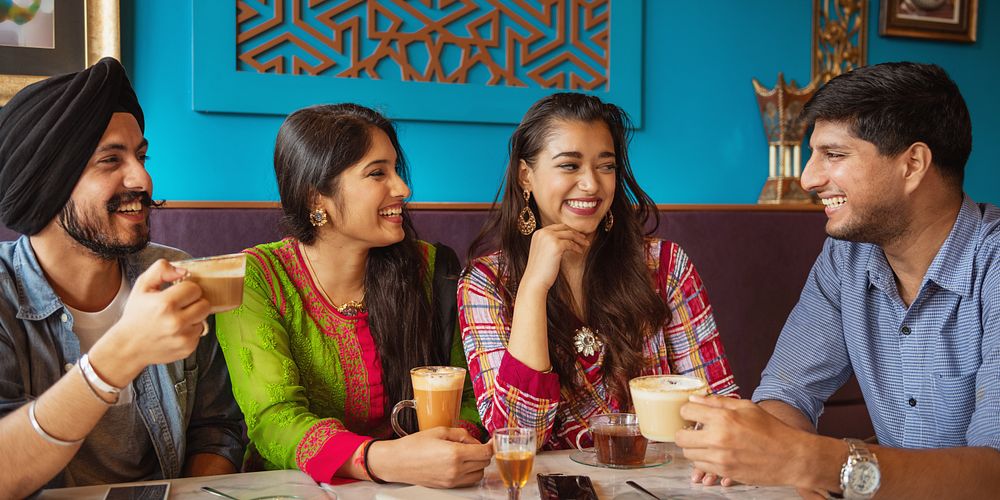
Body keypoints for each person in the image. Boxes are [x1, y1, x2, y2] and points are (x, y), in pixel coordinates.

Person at [676, 62, 1000, 499]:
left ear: (913, 165)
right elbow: (787, 393)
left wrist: (811, 462)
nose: (809, 178)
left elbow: (993, 475)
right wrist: (760, 449)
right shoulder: (848, 256)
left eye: (834, 155)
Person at [0, 58, 243, 496]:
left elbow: (218, 428)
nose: (143, 178)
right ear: (47, 183)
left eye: (141, 156)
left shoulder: (175, 274)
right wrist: (121, 353)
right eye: (110, 160)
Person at [216, 104, 492, 487]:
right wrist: (383, 460)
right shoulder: (258, 278)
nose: (403, 189)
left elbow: (471, 391)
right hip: (295, 490)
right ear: (316, 198)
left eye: (396, 169)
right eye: (378, 173)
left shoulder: (431, 267)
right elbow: (274, 419)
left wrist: (453, 448)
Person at [458, 92, 737, 450]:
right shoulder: (486, 283)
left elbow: (717, 404)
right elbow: (515, 439)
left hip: (662, 481)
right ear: (526, 176)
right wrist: (532, 288)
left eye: (605, 166)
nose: (592, 184)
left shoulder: (665, 265)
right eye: (570, 165)